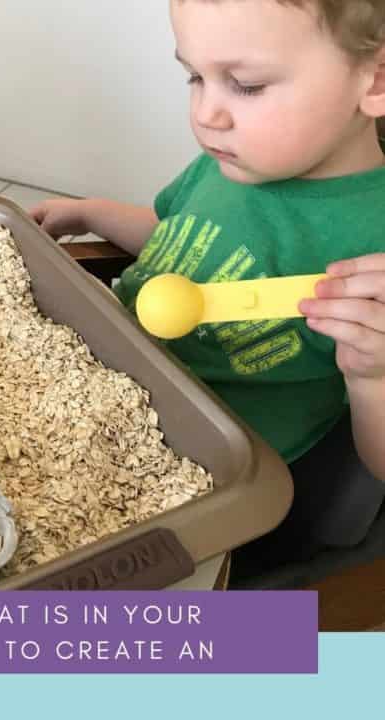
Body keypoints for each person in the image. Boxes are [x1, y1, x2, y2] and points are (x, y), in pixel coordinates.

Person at [31, 0, 385, 494]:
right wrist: (95, 212)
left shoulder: (375, 250)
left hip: (206, 466)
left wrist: (373, 377)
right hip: (105, 381)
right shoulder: (236, 161)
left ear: (374, 80)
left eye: (247, 86)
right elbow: (176, 238)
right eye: (195, 78)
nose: (206, 114)